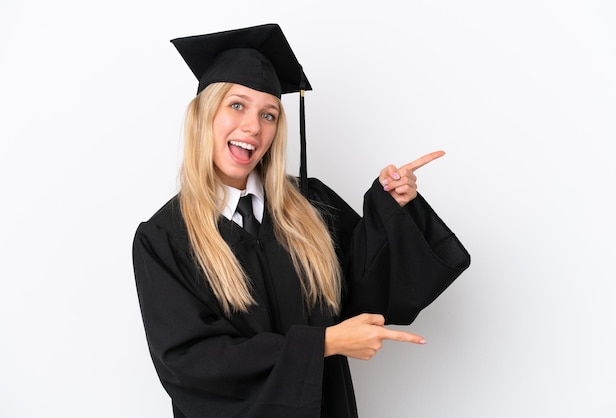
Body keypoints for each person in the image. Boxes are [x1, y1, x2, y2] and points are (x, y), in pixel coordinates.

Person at [132, 23, 470, 418]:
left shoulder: (311, 205)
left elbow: (366, 292)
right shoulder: (163, 239)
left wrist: (389, 209)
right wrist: (322, 344)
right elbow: (191, 361)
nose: (253, 127)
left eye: (269, 114)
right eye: (236, 105)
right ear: (204, 114)